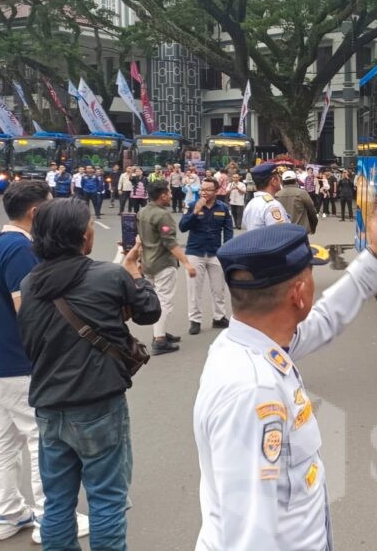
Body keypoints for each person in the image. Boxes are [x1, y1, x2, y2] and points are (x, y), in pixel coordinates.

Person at [193, 198, 377, 550]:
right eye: (310, 275)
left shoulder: (250, 341)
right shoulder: (253, 391)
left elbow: (324, 320)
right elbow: (249, 538)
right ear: (299, 294)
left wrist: (376, 255)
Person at [17, 199, 160, 549]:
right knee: (107, 499)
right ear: (83, 236)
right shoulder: (109, 275)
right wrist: (135, 273)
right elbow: (149, 313)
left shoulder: (31, 283)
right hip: (98, 405)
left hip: (49, 405)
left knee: (58, 503)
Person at [0, 182, 91, 542]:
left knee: (6, 438)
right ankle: (50, 517)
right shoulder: (20, 249)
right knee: (42, 438)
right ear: (36, 213)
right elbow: (26, 309)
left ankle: (9, 513)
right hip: (18, 361)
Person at [138, 180, 196, 355]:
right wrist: (186, 263)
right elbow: (170, 243)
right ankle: (159, 339)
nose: (171, 195)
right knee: (164, 302)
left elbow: (139, 237)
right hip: (162, 263)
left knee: (156, 299)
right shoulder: (162, 215)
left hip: (148, 261)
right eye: (169, 193)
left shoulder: (142, 211)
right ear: (163, 195)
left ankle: (160, 332)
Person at [180, 177, 233, 335]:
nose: (204, 192)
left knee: (219, 288)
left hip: (216, 252)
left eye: (208, 190)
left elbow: (228, 231)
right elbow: (183, 227)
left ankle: (219, 317)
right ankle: (195, 320)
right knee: (194, 289)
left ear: (216, 191)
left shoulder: (223, 208)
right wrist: (195, 212)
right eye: (202, 189)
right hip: (195, 252)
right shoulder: (191, 206)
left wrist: (227, 250)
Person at [242, 163, 288, 232]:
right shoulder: (272, 205)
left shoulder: (250, 204)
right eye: (279, 178)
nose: (280, 181)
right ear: (274, 181)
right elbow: (281, 234)